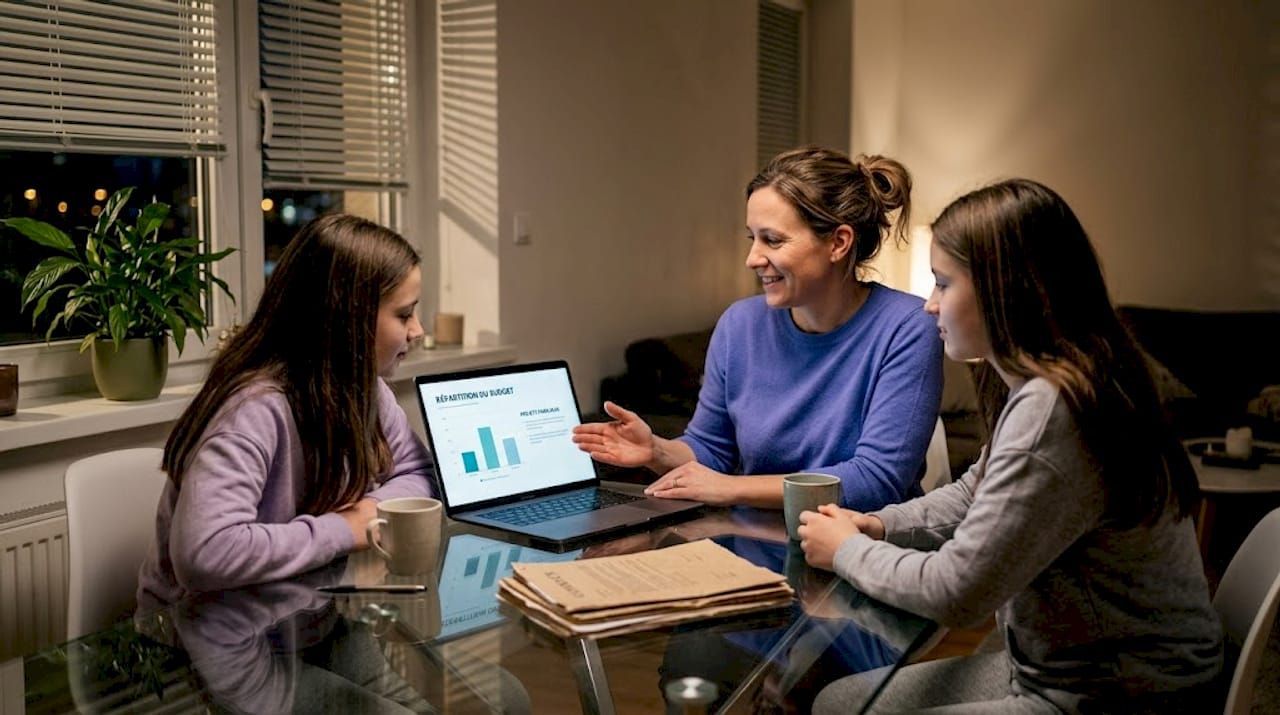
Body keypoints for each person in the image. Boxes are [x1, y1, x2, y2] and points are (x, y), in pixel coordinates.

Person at [800, 179, 1224, 714]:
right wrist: (880, 525)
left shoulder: (1055, 409)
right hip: (1076, 668)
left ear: (1007, 289)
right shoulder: (1056, 378)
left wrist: (847, 550)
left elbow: (959, 592)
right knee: (840, 703)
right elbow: (971, 494)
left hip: (1125, 691)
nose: (929, 306)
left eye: (942, 284)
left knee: (841, 708)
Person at [572, 146, 943, 511]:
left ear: (838, 242)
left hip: (860, 549)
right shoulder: (739, 325)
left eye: (773, 240)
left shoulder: (908, 327)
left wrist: (732, 489)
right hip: (752, 543)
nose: (752, 259)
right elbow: (712, 447)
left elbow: (876, 480)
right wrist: (657, 450)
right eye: (753, 238)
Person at [137, 214, 435, 609]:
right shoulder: (252, 409)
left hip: (300, 610)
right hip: (200, 637)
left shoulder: (367, 392)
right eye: (403, 314)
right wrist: (345, 528)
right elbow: (205, 553)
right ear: (347, 316)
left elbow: (418, 473)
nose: (418, 330)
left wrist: (369, 512)